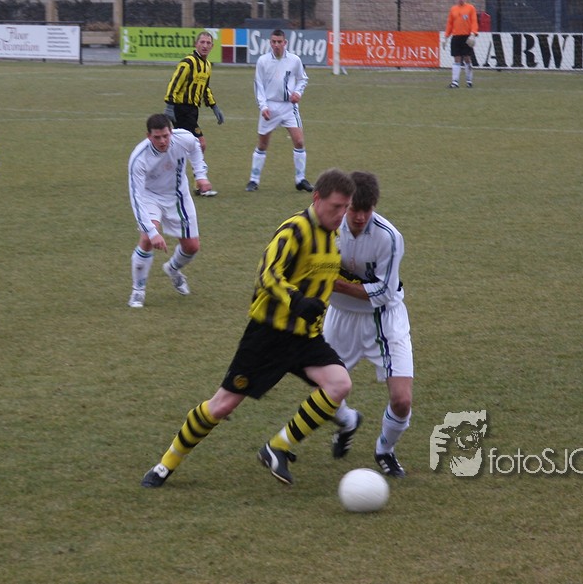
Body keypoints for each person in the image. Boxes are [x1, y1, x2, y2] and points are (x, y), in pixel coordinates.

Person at [141, 169, 356, 489]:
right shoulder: (294, 230)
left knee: (339, 384)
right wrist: (296, 300)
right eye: (336, 206)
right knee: (222, 406)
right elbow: (267, 274)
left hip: (305, 337)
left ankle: (277, 447)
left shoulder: (332, 235)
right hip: (268, 335)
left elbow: (328, 271)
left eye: (346, 207)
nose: (341, 214)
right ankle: (166, 464)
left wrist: (364, 282)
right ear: (317, 198)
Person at [322, 171, 412, 478]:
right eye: (354, 209)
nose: (360, 217)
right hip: (340, 318)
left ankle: (385, 449)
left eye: (367, 210)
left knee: (402, 400)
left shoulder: (389, 237)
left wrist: (335, 283)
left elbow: (384, 292)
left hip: (384, 318)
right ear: (344, 204)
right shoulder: (327, 229)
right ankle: (348, 421)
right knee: (324, 391)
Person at [126, 114, 212, 309]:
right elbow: (136, 198)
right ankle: (138, 291)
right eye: (157, 137)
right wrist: (153, 232)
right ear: (149, 136)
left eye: (165, 136)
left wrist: (201, 175)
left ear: (171, 132)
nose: (163, 141)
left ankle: (172, 268)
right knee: (147, 239)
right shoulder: (139, 158)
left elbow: (196, 147)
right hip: (150, 198)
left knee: (192, 247)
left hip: (178, 196)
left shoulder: (184, 138)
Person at [245, 29, 313, 193]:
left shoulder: (294, 60)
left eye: (279, 42)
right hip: (270, 106)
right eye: (274, 42)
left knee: (299, 141)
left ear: (285, 43)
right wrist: (263, 107)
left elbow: (302, 79)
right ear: (270, 43)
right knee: (262, 144)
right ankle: (254, 180)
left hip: (289, 107)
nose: (276, 45)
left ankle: (300, 179)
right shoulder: (263, 61)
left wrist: (298, 93)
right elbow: (258, 85)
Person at [163, 30, 223, 197]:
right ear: (196, 44)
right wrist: (169, 106)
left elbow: (205, 88)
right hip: (181, 109)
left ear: (212, 46)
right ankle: (201, 183)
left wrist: (214, 106)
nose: (205, 45)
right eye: (202, 42)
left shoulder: (207, 65)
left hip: (193, 111)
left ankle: (175, 179)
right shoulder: (188, 62)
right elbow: (174, 82)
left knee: (180, 146)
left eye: (208, 43)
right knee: (199, 143)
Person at [444, 0, 479, 89]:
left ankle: (469, 81)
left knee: (467, 59)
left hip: (467, 37)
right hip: (456, 37)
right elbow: (450, 24)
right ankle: (455, 82)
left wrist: (473, 33)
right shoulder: (453, 9)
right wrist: (446, 36)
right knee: (457, 59)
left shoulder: (470, 8)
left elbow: (474, 22)